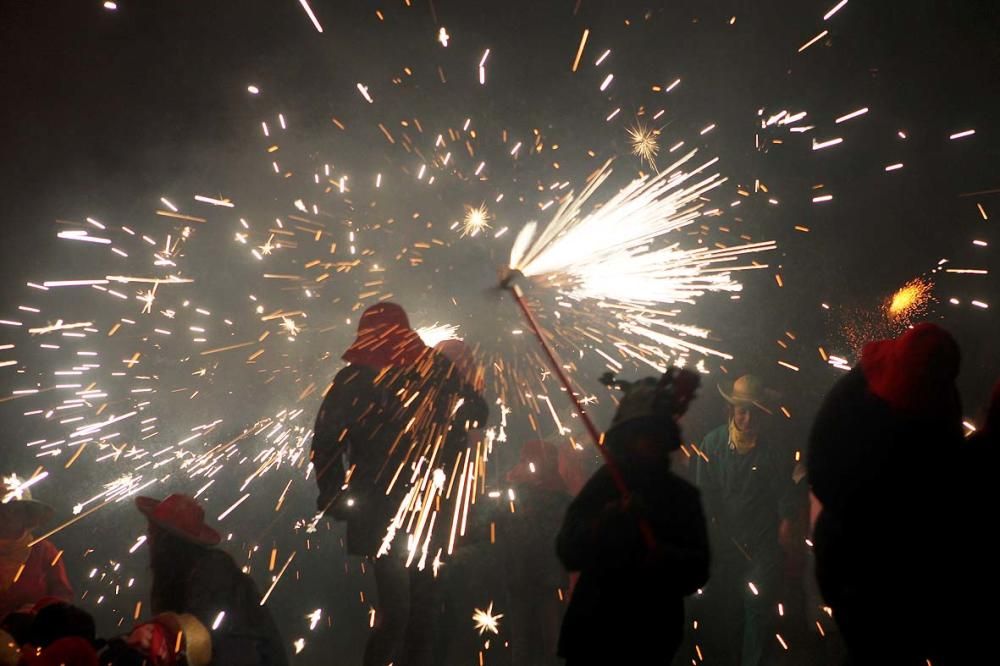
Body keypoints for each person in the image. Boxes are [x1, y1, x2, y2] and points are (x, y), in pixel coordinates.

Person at [311, 304, 486, 666]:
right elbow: (326, 443)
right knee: (402, 612)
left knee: (420, 611)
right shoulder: (354, 381)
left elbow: (477, 408)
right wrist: (331, 494)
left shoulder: (428, 370)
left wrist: (459, 418)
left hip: (426, 505)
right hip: (385, 511)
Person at [807, 323, 965, 664]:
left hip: (901, 562)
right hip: (849, 546)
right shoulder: (854, 390)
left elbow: (945, 486)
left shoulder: (941, 408)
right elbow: (822, 463)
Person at [557, 369, 709, 665]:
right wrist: (607, 520)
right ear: (626, 437)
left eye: (655, 434)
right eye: (642, 434)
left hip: (650, 640)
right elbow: (567, 550)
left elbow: (698, 570)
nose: (649, 442)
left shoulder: (681, 497)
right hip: (595, 635)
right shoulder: (605, 485)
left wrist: (664, 559)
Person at [693, 375, 805, 666]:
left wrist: (786, 522)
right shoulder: (713, 443)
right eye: (742, 410)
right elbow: (704, 494)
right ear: (731, 410)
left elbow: (784, 491)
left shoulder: (773, 448)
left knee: (756, 604)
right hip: (727, 541)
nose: (748, 417)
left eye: (755, 411)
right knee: (728, 608)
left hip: (763, 540)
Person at [135, 493, 287, 666]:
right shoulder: (177, 577)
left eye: (152, 532)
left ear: (167, 541)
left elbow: (213, 643)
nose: (148, 541)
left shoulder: (213, 574)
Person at [502, 439, 572, 666]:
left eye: (528, 460)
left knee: (552, 643)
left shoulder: (558, 498)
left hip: (547, 581)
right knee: (522, 644)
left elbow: (546, 534)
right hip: (521, 579)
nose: (524, 465)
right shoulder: (520, 493)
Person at [0, 476, 72, 620]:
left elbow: (62, 598)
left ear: (27, 515)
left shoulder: (43, 551)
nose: (8, 516)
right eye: (3, 509)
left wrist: (38, 612)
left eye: (16, 510)